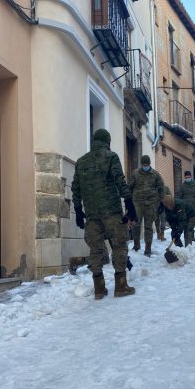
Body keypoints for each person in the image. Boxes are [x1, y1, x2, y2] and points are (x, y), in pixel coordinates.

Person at [71, 128, 138, 300]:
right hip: (112, 213)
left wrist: (78, 211)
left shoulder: (81, 162)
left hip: (92, 215)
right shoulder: (111, 157)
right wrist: (129, 203)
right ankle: (120, 285)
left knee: (95, 249)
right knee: (119, 246)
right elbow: (119, 180)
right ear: (107, 142)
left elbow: (76, 189)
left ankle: (99, 288)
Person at [128, 155, 164, 257]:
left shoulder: (156, 174)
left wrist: (161, 202)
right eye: (144, 165)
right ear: (141, 164)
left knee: (148, 227)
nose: (145, 166)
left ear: (149, 164)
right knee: (136, 225)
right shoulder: (135, 173)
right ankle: (136, 246)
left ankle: (147, 250)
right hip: (137, 203)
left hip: (151, 204)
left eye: (147, 165)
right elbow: (130, 187)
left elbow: (161, 188)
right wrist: (129, 202)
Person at [177, 170, 195, 241]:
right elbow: (179, 196)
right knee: (189, 224)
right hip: (187, 208)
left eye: (188, 177)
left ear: (191, 176)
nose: (187, 178)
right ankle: (192, 238)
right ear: (184, 177)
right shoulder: (182, 186)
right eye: (186, 177)